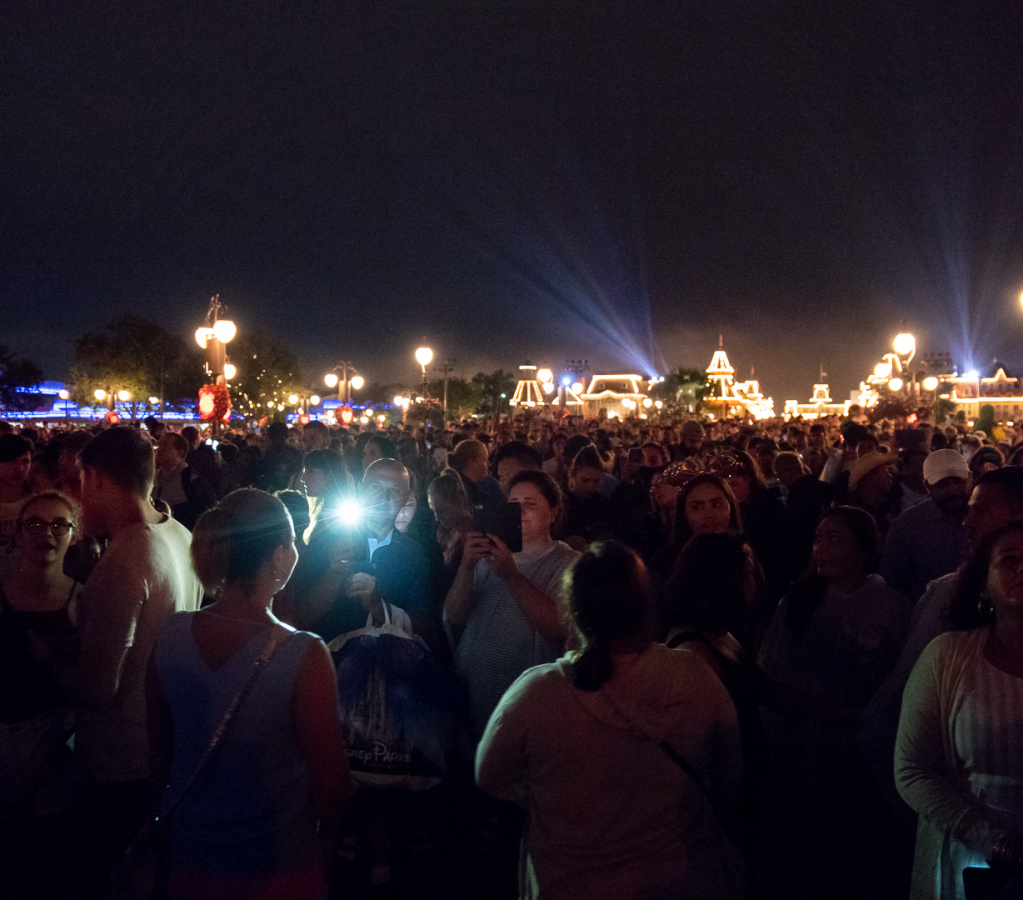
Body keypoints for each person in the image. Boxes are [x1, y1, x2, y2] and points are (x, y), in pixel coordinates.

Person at [476, 541, 743, 900]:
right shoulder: (694, 676)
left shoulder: (538, 692)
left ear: (571, 610)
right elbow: (729, 774)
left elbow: (490, 776)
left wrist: (544, 792)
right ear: (647, 606)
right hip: (684, 876)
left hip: (572, 881)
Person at [148, 489, 349, 900]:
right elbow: (330, 781)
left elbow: (160, 754)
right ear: (278, 555)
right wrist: (324, 850)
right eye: (292, 541)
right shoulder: (304, 654)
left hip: (188, 854)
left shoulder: (171, 634)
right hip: (275, 866)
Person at [66, 426, 204, 898]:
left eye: (82, 482)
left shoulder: (125, 560)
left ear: (99, 479)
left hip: (118, 762)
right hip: (166, 746)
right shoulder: (180, 534)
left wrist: (46, 662)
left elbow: (98, 687)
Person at [757, 506, 911, 899]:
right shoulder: (798, 601)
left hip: (865, 752)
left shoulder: (890, 606)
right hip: (803, 748)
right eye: (818, 537)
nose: (821, 547)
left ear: (863, 549)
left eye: (835, 538)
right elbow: (771, 675)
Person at [896, 521, 1023, 900]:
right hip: (972, 859)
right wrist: (990, 840)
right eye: (1010, 560)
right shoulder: (948, 657)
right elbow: (912, 768)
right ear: (984, 584)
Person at [446, 470, 580, 739]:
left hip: (526, 700)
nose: (519, 512)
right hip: (474, 689)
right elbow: (455, 616)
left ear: (553, 512)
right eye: (513, 505)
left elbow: (557, 628)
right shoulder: (489, 554)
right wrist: (467, 565)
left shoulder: (568, 562)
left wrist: (511, 575)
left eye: (530, 505)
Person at [0, 491, 83, 898]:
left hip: (57, 750)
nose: (46, 533)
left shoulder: (83, 600)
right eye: (34, 523)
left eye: (58, 524)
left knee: (48, 861)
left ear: (73, 534)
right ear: (18, 532)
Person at [881, 449, 971, 604]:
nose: (953, 490)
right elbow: (892, 586)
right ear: (927, 487)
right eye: (942, 484)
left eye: (958, 481)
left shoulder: (990, 516)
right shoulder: (908, 525)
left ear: (970, 477)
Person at [152, 431, 218, 531]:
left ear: (180, 452)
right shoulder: (151, 477)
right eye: (159, 444)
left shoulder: (193, 481)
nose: (159, 449)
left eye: (165, 445)